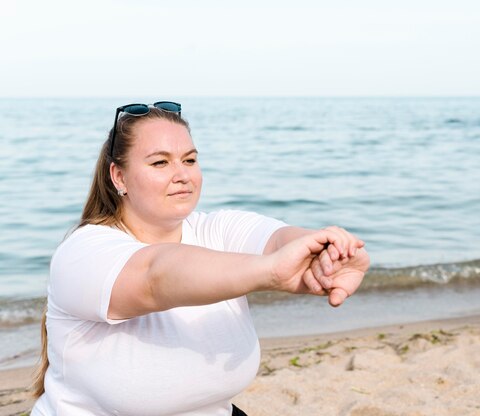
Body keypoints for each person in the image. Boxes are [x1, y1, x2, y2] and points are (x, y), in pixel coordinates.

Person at [30, 101, 370, 415]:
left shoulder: (218, 229)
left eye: (190, 160)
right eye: (160, 162)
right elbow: (155, 277)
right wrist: (270, 272)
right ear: (119, 176)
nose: (182, 174)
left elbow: (278, 239)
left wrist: (327, 253)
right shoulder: (83, 252)